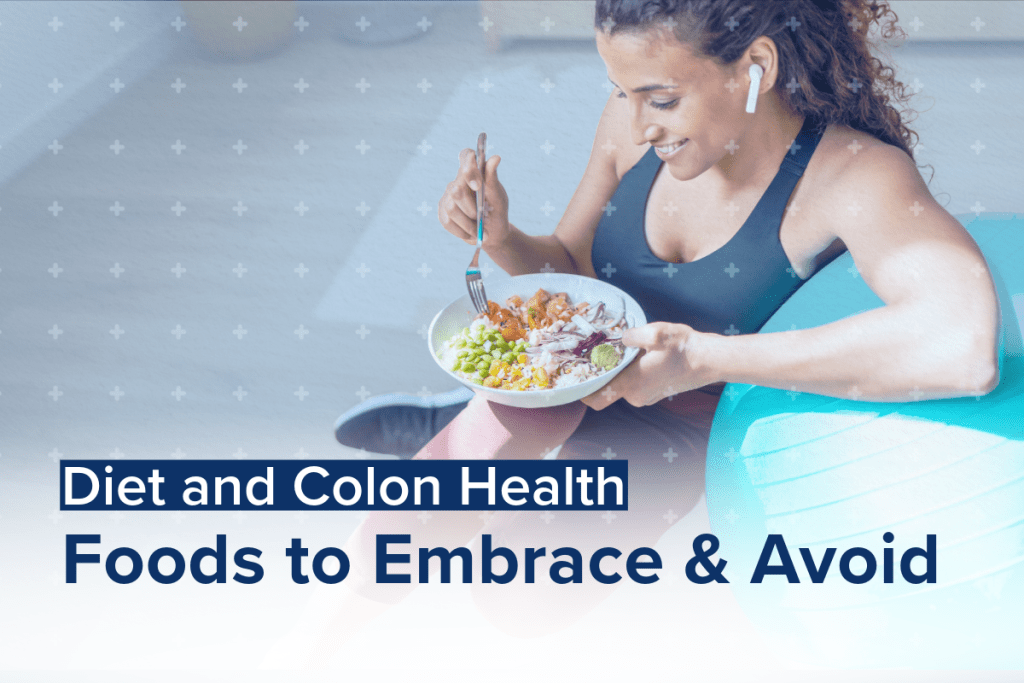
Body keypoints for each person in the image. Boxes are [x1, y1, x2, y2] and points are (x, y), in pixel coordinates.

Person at [267, 0, 1000, 667]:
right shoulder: (627, 128)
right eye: (623, 91)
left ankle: (473, 431)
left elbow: (962, 347)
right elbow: (571, 269)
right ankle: (291, 657)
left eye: (662, 98)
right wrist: (502, 237)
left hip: (685, 424)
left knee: (515, 595)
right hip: (575, 369)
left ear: (756, 67)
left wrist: (699, 359)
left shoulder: (853, 177)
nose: (639, 125)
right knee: (432, 488)